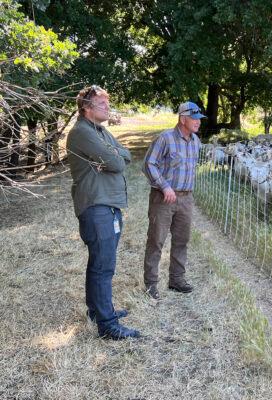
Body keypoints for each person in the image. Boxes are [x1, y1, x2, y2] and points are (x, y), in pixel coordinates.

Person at [66, 85, 140, 340]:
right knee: (103, 265)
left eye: (108, 103)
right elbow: (117, 162)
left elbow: (124, 155)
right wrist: (112, 156)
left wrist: (112, 154)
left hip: (107, 205)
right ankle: (107, 324)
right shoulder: (82, 133)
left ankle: (98, 311)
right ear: (87, 107)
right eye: (102, 104)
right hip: (96, 206)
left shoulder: (100, 131)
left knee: (100, 263)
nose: (108, 107)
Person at [142, 101, 204, 300]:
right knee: (156, 240)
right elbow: (149, 164)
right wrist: (164, 186)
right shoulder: (165, 138)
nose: (198, 123)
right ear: (182, 118)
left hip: (186, 198)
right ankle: (151, 284)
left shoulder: (195, 141)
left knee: (182, 240)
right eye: (194, 119)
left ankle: (176, 279)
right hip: (163, 198)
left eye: (199, 119)